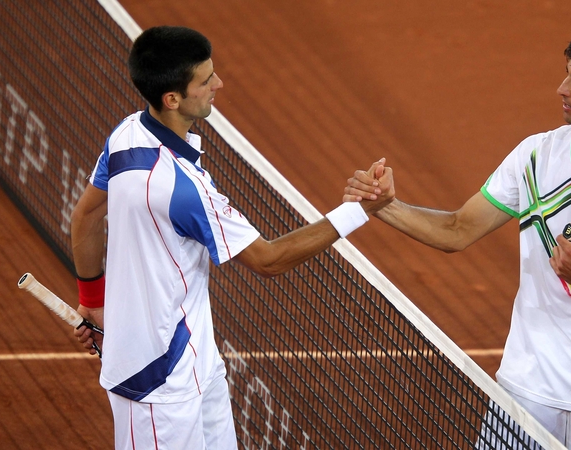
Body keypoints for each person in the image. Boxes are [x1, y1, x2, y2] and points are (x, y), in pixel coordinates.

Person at [344, 27, 571, 449]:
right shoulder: (535, 156)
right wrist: (384, 206)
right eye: (567, 75)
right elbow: (458, 230)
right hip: (527, 389)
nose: (562, 89)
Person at [70, 26, 393, 450]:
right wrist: (359, 210)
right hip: (154, 387)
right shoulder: (184, 189)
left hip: (199, 364)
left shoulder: (127, 136)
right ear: (173, 99)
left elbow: (88, 214)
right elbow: (269, 259)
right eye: (205, 81)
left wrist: (92, 301)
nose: (218, 84)